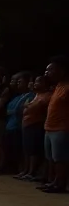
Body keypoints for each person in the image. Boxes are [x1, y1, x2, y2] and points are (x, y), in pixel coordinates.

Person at [37, 58, 68, 194]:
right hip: (49, 127)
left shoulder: (67, 87)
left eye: (50, 69)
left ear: (61, 70)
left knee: (60, 159)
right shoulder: (58, 86)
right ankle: (54, 181)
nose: (47, 72)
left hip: (61, 128)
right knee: (51, 158)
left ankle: (60, 184)